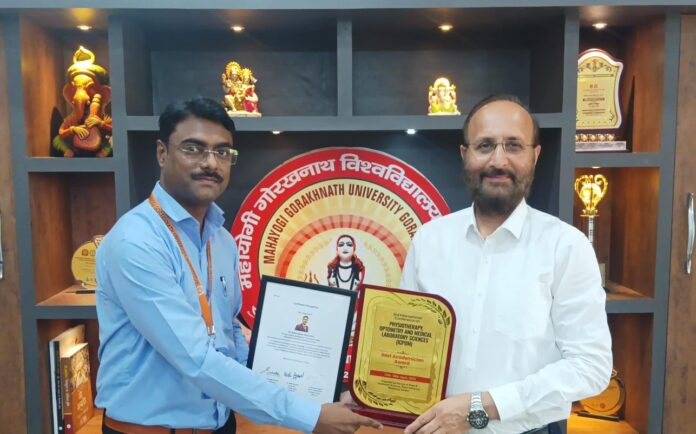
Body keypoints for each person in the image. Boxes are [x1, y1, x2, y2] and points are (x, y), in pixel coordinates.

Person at [95, 97, 382, 434]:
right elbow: (195, 358)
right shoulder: (137, 242)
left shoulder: (221, 240)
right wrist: (310, 416)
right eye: (193, 149)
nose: (210, 163)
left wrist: (315, 394)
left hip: (221, 425)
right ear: (162, 153)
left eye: (222, 152)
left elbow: (229, 334)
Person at [400, 95, 612, 434]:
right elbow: (407, 343)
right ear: (464, 154)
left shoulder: (566, 247)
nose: (498, 160)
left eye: (513, 146)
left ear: (535, 155)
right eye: (485, 145)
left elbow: (590, 366)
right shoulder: (429, 240)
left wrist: (479, 408)